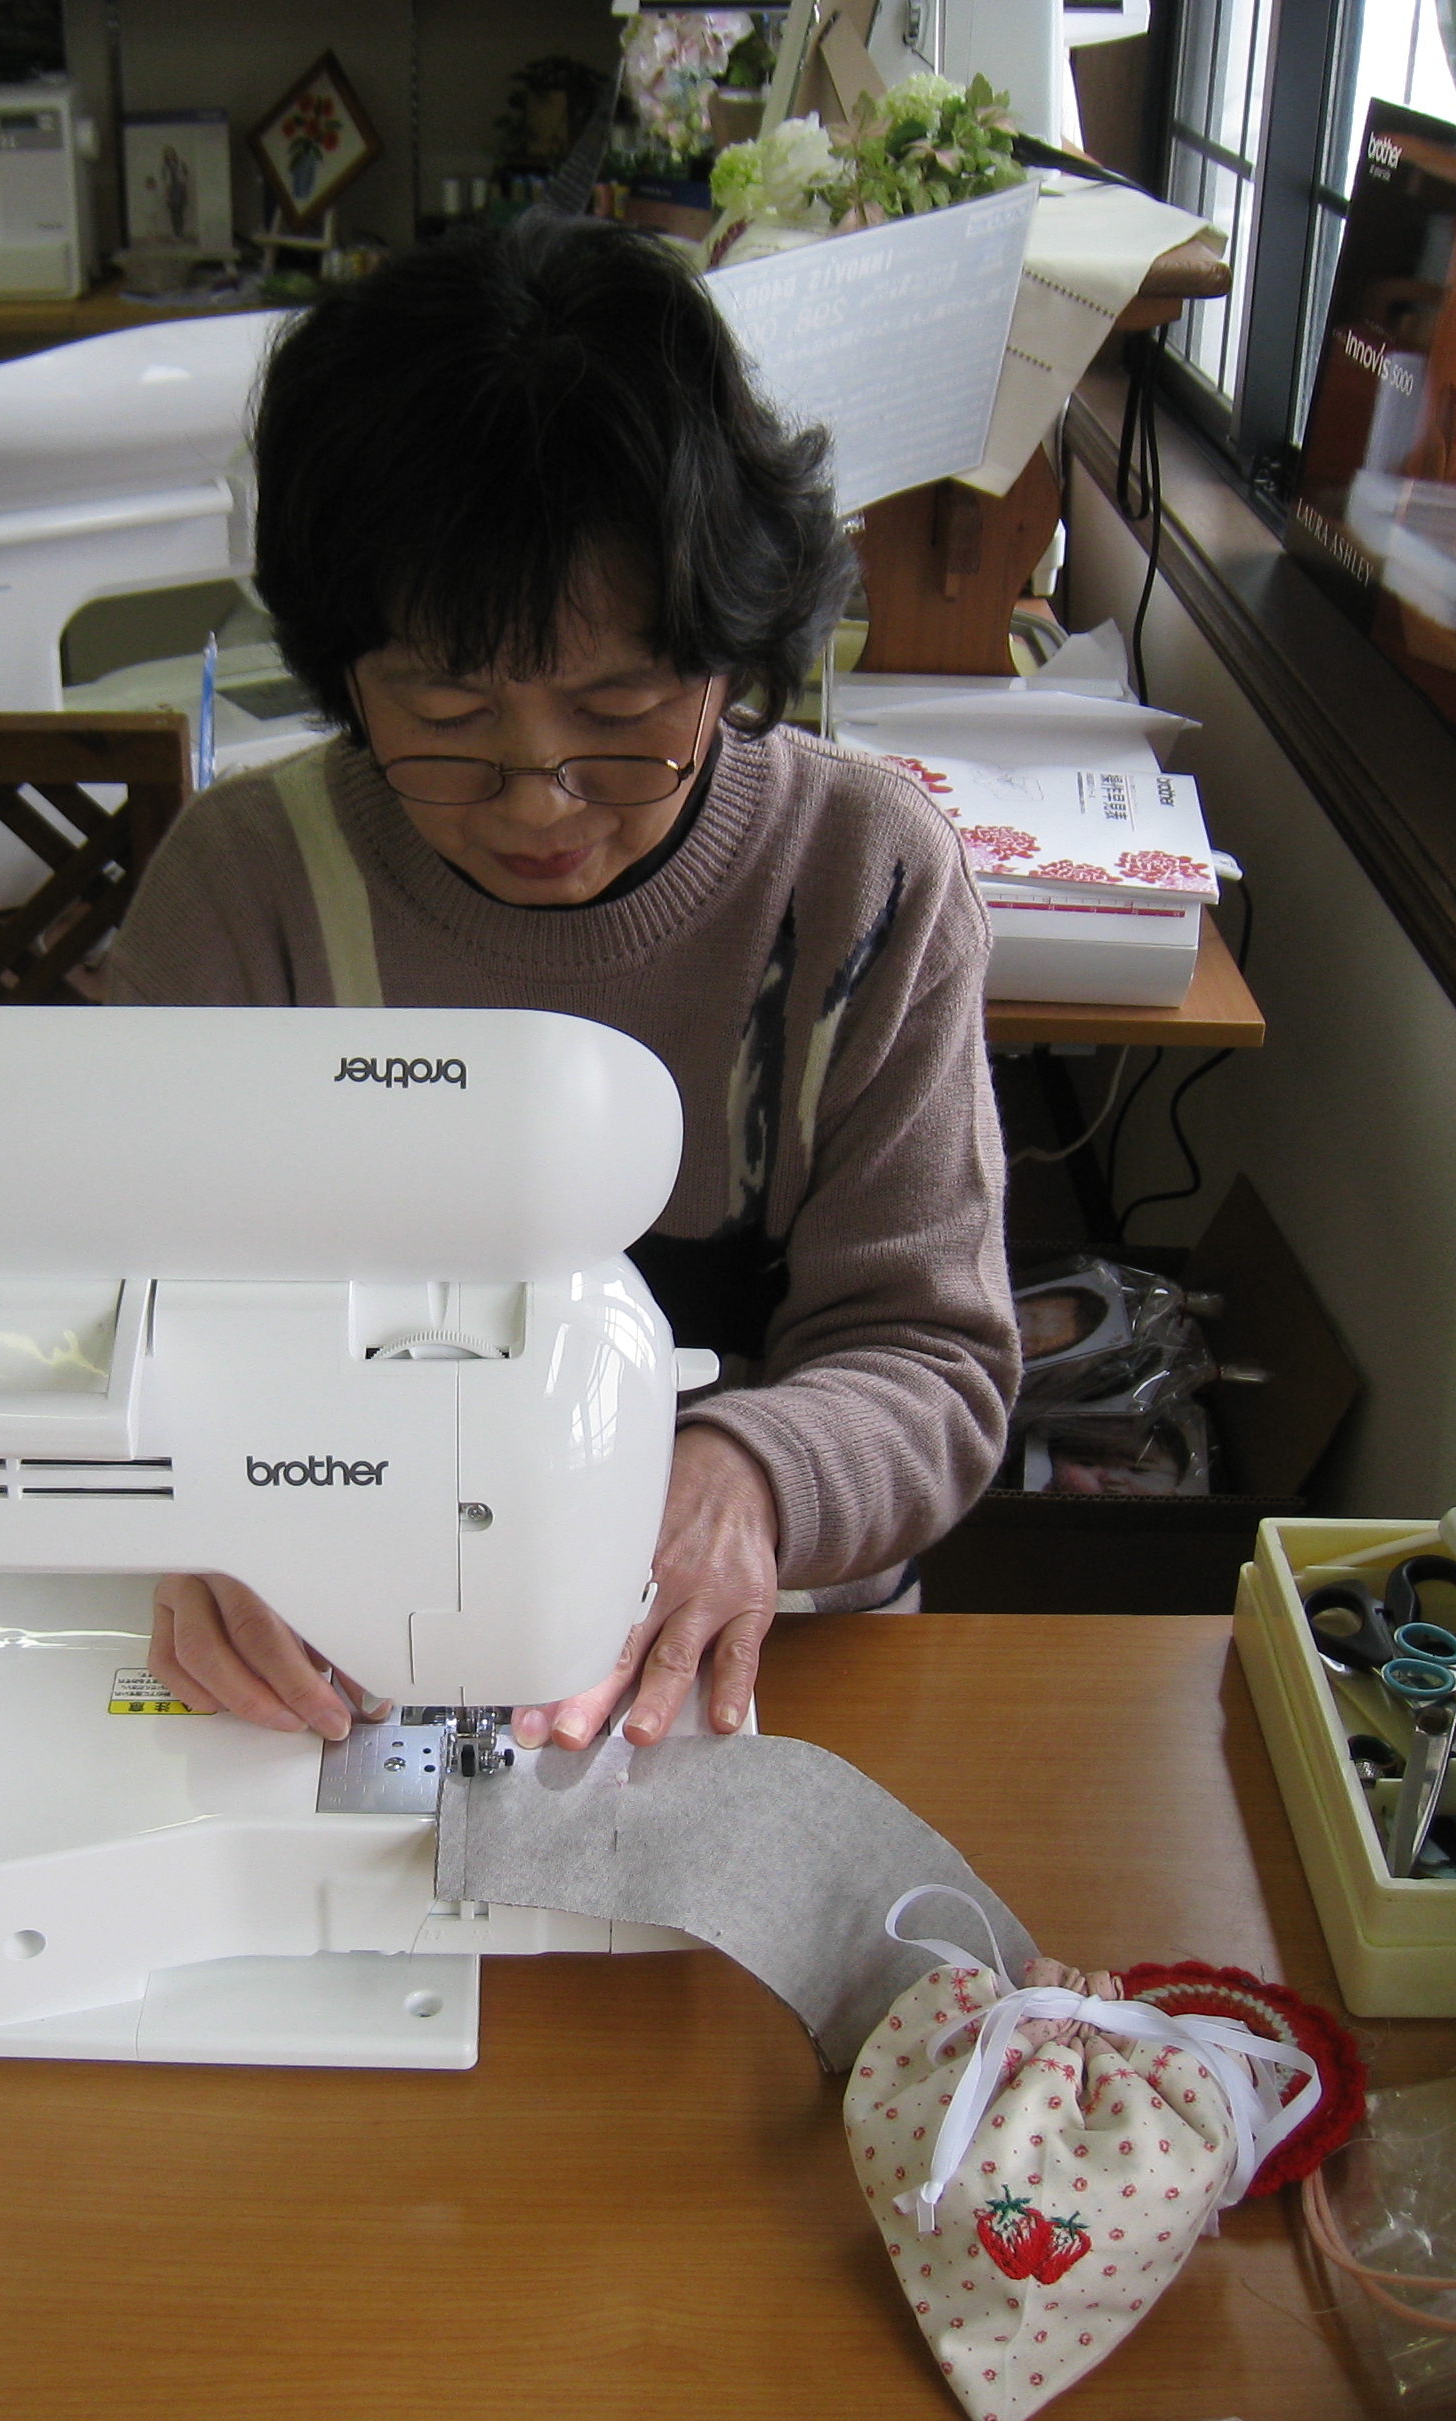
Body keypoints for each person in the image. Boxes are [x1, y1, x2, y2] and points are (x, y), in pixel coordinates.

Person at [107, 214, 1017, 1756]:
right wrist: (188, 1509)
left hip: (763, 1653)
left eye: (619, 707)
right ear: (343, 669)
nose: (539, 798)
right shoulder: (251, 888)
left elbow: (935, 1359)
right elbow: (117, 1309)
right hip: (345, 1639)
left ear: (730, 649)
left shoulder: (864, 880)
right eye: (447, 712)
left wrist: (752, 1474)